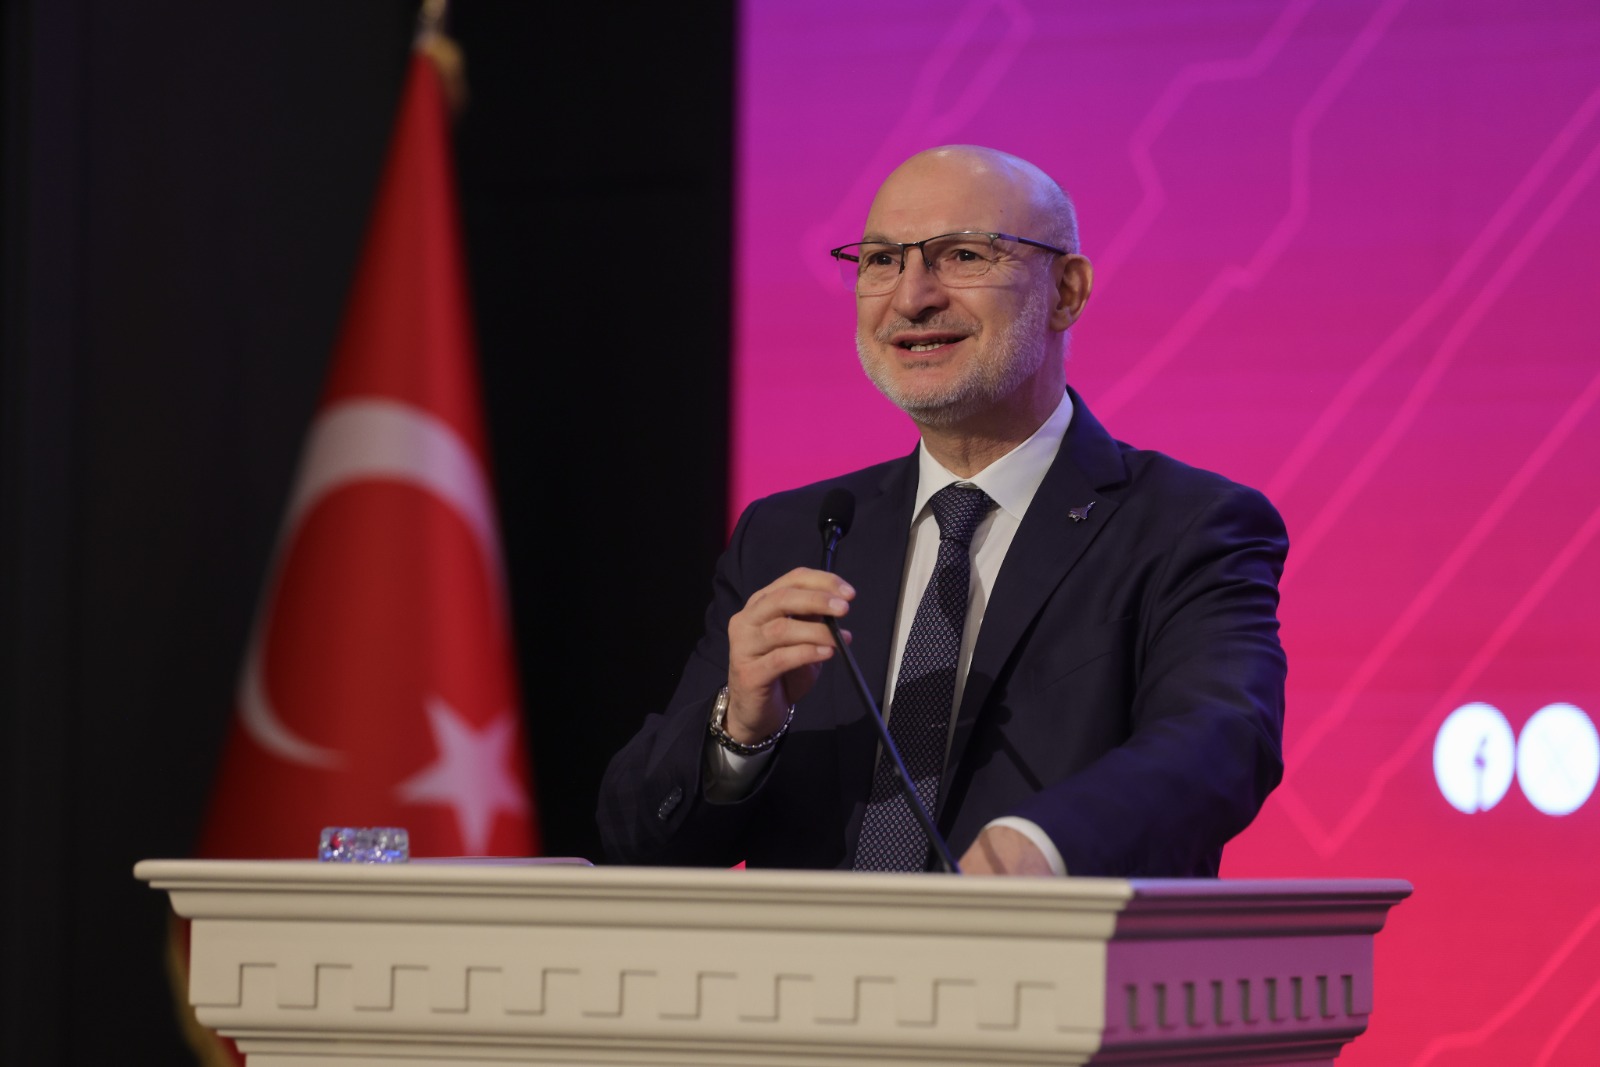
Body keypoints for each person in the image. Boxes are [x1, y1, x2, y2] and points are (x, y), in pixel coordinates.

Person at [597, 145, 1287, 877]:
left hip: (1043, 945)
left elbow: (1222, 740)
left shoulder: (1186, 525)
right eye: (881, 261)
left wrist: (1046, 845)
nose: (911, 297)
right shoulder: (792, 535)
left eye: (962, 255)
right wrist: (738, 731)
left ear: (1066, 291)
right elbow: (639, 842)